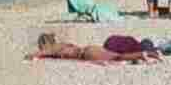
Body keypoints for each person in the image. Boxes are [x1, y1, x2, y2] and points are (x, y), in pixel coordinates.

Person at [24, 32, 161, 64]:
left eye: (41, 45)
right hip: (88, 49)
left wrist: (33, 56)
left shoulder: (55, 47)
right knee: (115, 57)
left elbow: (40, 53)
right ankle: (147, 53)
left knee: (116, 57)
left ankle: (142, 54)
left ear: (45, 43)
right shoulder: (63, 45)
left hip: (86, 53)